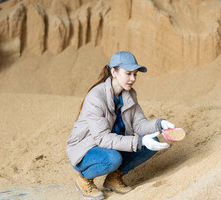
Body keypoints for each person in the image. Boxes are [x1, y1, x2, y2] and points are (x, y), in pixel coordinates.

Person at [66, 51, 175, 200]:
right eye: (128, 73)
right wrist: (138, 141)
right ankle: (84, 179)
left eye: (135, 74)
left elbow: (139, 124)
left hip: (114, 145)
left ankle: (114, 178)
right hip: (87, 150)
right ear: (114, 72)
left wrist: (160, 124)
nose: (133, 79)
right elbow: (102, 139)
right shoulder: (95, 97)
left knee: (152, 142)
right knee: (113, 158)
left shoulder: (129, 94)